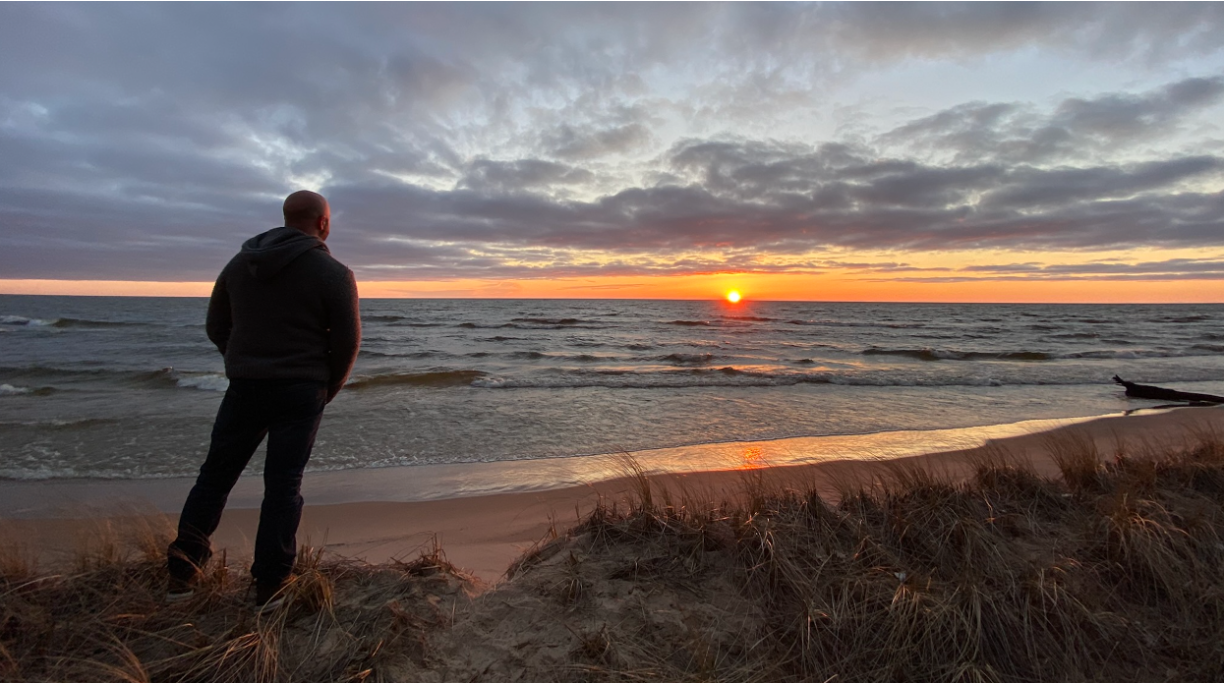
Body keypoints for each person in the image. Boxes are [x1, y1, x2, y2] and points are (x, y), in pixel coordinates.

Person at [166, 190, 361, 610]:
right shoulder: (333, 273)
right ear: (323, 223)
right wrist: (328, 388)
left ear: (287, 217)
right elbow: (348, 343)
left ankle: (181, 577)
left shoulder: (240, 264)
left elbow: (216, 325)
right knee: (283, 485)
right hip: (300, 390)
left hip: (246, 386)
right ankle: (270, 587)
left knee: (214, 478)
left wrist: (242, 361)